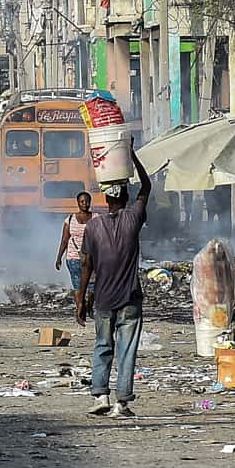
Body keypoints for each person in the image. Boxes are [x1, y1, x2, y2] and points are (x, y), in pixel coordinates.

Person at [77, 144, 151, 418]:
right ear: (126, 197)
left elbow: (86, 264)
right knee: (127, 350)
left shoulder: (93, 226)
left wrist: (82, 299)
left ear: (105, 199)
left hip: (103, 300)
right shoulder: (133, 218)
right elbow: (147, 187)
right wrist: (132, 157)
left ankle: (101, 396)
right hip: (130, 298)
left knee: (102, 346)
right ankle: (122, 403)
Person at [55, 192, 94, 296]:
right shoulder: (70, 219)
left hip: (91, 258)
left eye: (87, 201)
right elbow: (64, 240)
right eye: (82, 202)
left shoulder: (96, 218)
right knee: (78, 287)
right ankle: (80, 308)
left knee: (92, 288)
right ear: (78, 203)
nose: (85, 204)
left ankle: (87, 308)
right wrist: (59, 258)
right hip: (73, 258)